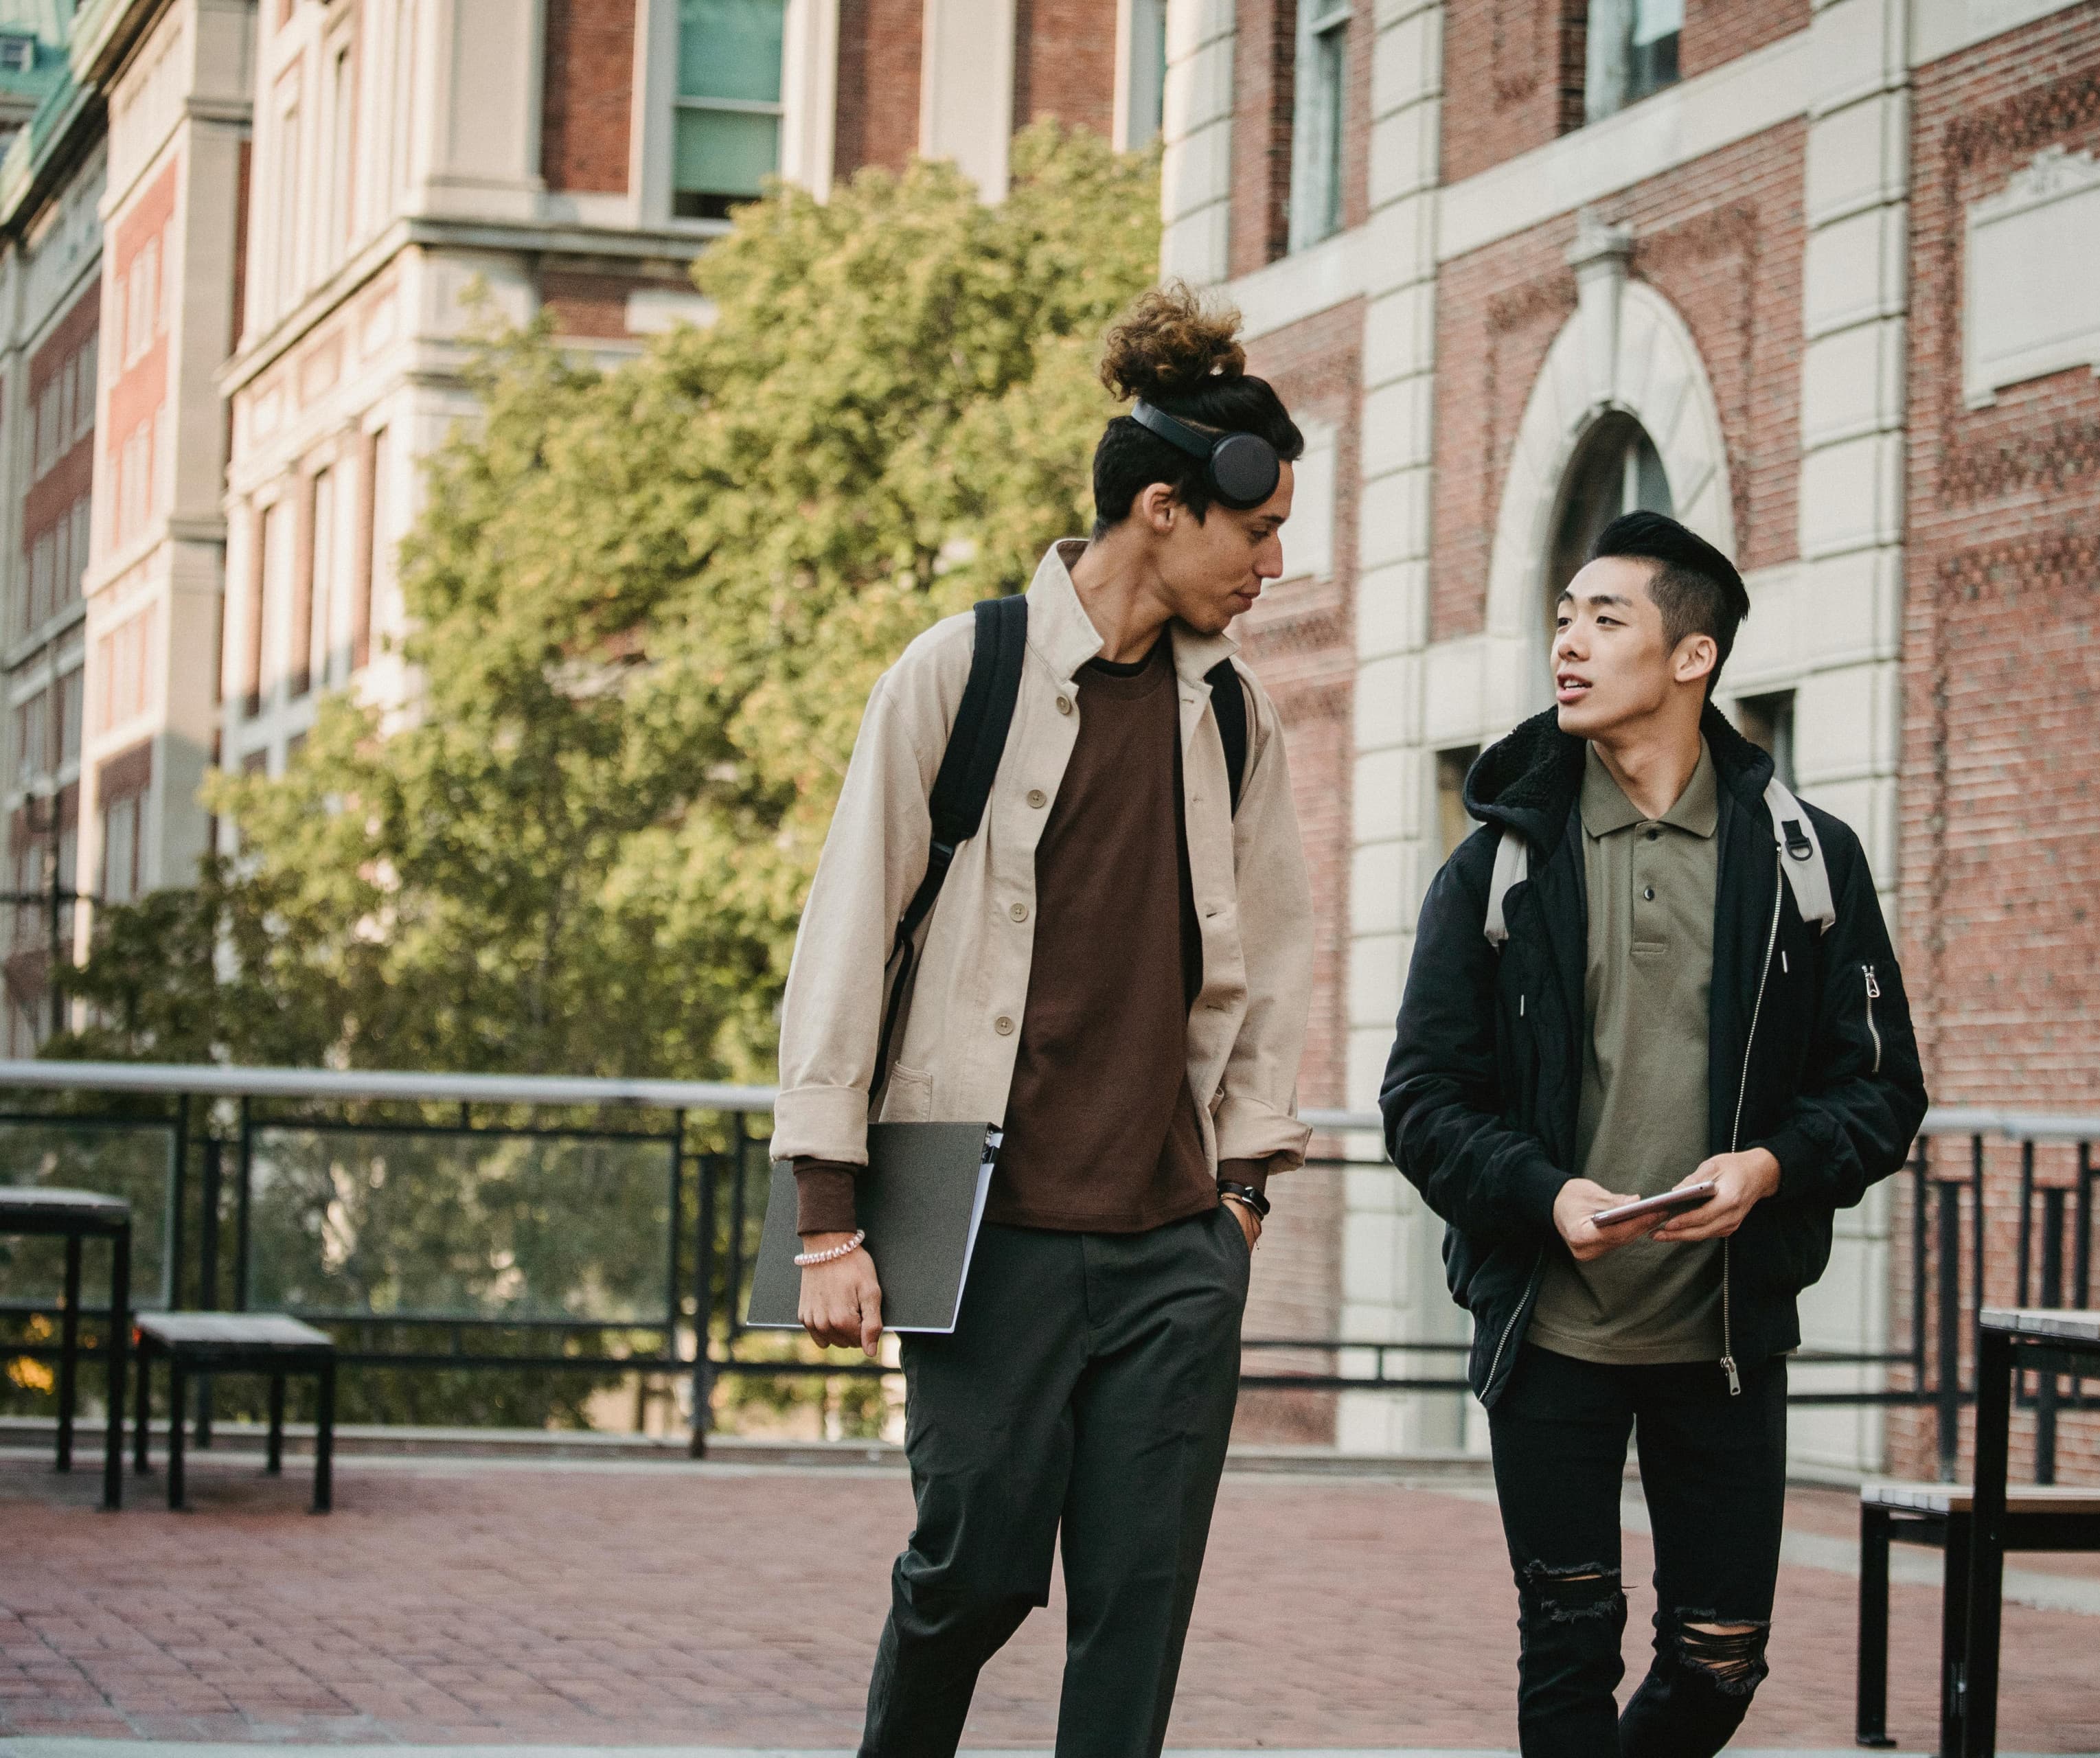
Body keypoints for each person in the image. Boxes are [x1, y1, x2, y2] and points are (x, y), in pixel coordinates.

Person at [770, 283, 1315, 1758]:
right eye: (1254, 534)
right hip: (979, 1224)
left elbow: (1272, 960)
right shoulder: (964, 670)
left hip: (1172, 1246)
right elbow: (844, 937)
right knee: (974, 1570)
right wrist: (826, 1220)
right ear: (1161, 509)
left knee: (1137, 1611)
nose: (1274, 564)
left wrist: (1244, 1196)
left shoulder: (1235, 717)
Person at [1380, 510, 1928, 1758]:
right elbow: (1421, 1099)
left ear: (1694, 657)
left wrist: (1774, 1167)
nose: (1567, 642)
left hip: (1723, 1334)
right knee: (1569, 1646)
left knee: (1722, 1659)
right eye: (1563, 618)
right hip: (1554, 1326)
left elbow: (1884, 1090)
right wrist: (1542, 1194)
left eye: (1605, 618)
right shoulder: (1499, 867)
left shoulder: (1805, 859)